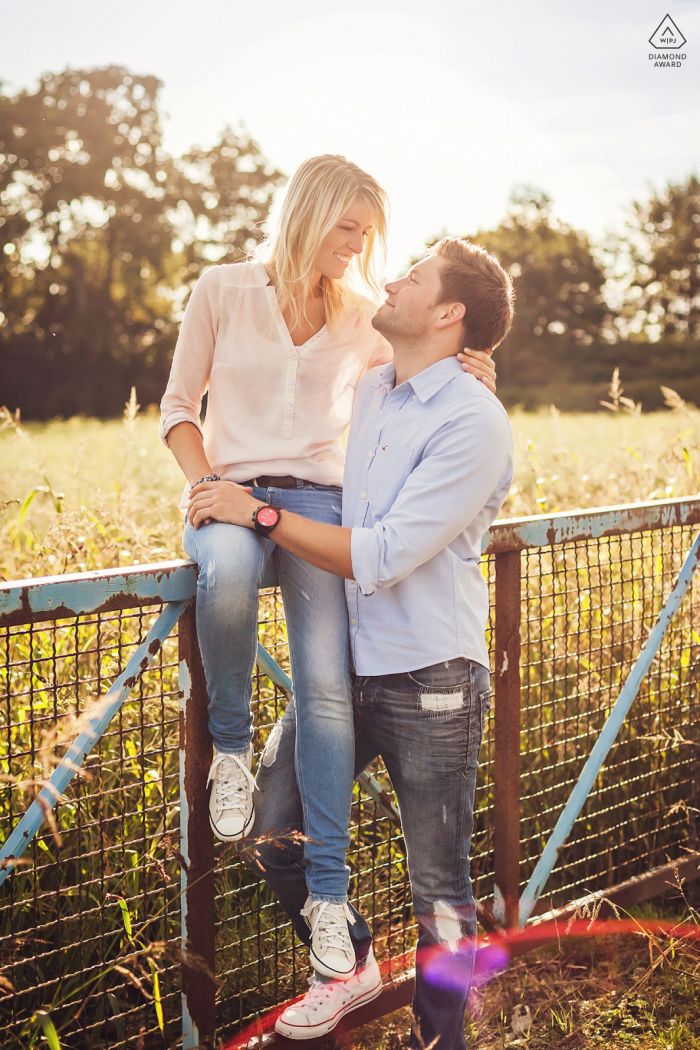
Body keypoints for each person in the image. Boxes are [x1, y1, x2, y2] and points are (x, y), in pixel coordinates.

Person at [160, 156, 497, 981]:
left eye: (368, 235)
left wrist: (475, 369)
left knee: (322, 689)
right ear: (308, 214)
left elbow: (428, 375)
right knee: (229, 574)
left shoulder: (362, 318)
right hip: (231, 493)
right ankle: (230, 752)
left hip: (320, 512)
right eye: (347, 227)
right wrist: (212, 486)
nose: (359, 248)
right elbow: (177, 408)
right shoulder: (221, 289)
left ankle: (330, 901)